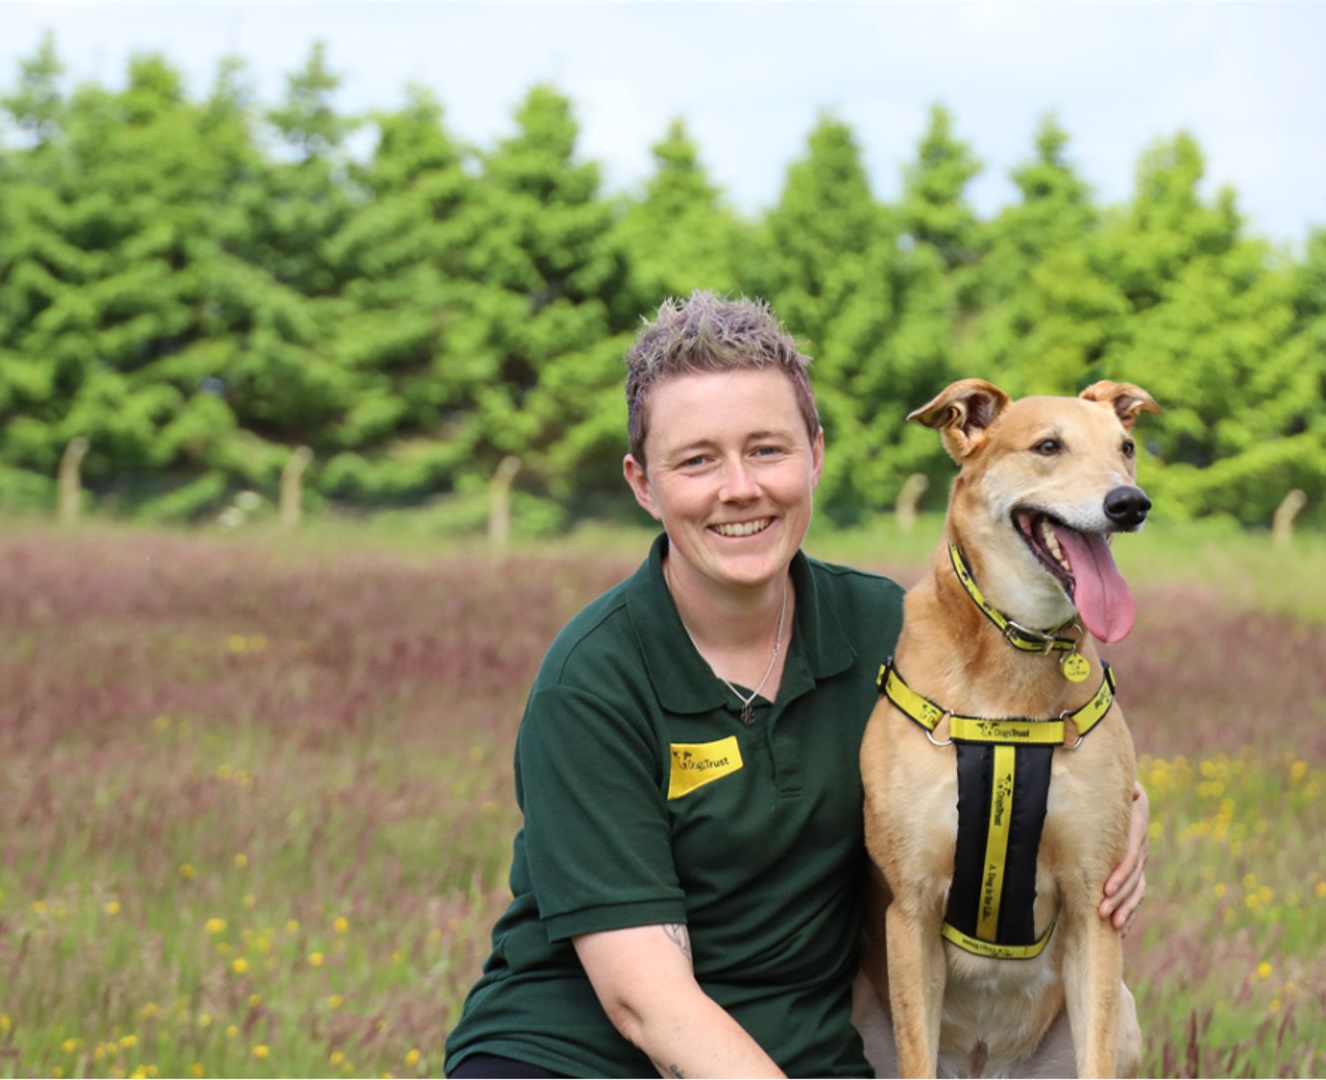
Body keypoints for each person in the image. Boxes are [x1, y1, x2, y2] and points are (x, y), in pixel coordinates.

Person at [443, 292, 1148, 1078]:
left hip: (812, 1051)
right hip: (579, 1055)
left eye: (767, 450)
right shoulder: (593, 682)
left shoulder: (900, 634)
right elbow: (646, 1000)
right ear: (643, 484)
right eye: (698, 459)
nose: (739, 487)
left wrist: (1127, 812)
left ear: (815, 455)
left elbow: (1040, 735)